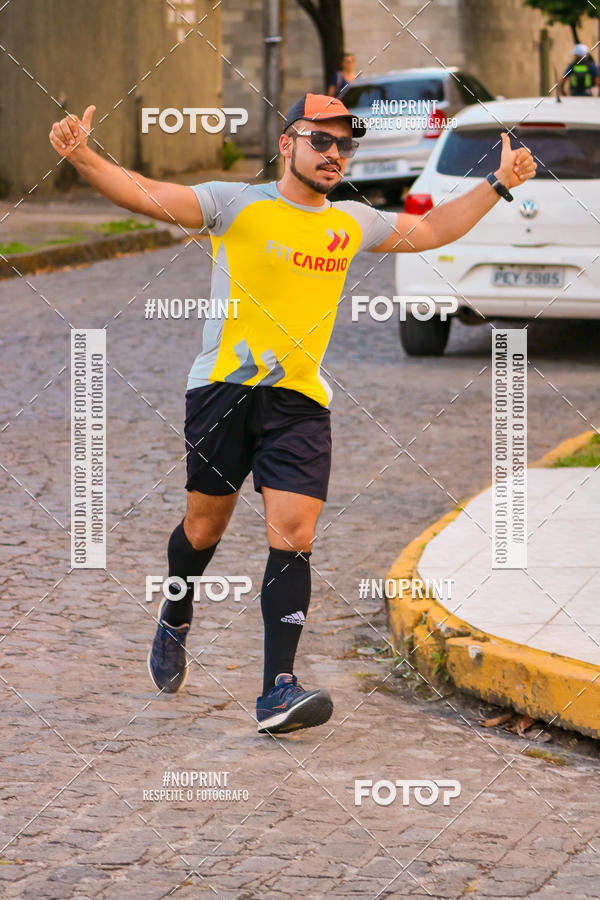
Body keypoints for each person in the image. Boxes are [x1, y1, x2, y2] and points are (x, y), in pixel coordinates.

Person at [49, 93, 537, 735]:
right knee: (202, 528)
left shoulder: (351, 223)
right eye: (322, 141)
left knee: (296, 533)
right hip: (222, 390)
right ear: (289, 144)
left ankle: (277, 691)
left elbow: (435, 230)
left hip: (299, 400)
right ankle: (176, 608)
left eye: (345, 144)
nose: (335, 153)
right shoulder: (236, 204)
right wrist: (84, 156)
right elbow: (145, 194)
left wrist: (499, 182)